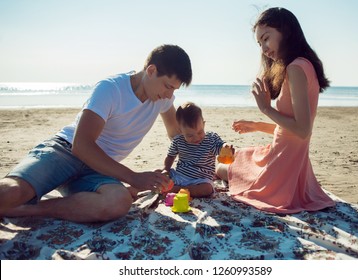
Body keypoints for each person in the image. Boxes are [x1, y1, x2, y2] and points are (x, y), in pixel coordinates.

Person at [0, 44, 192, 223]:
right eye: (168, 86)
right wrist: (133, 177)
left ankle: (29, 210)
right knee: (13, 192)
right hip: (65, 151)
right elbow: (81, 145)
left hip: (100, 168)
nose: (169, 95)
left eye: (174, 89)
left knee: (118, 201)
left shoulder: (162, 99)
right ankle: (18, 202)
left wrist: (200, 160)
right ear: (151, 71)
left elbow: (177, 135)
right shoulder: (110, 89)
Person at [216, 7, 335, 214]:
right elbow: (291, 130)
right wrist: (256, 126)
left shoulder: (295, 69)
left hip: (282, 169)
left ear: (285, 31)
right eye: (259, 43)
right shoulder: (304, 65)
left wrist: (265, 109)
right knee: (240, 156)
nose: (263, 48)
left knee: (220, 168)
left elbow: (303, 130)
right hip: (288, 160)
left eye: (266, 38)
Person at [163, 102, 233, 198]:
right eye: (190, 135)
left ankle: (177, 189)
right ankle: (178, 187)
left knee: (207, 189)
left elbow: (220, 147)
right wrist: (165, 170)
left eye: (200, 132)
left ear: (203, 125)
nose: (196, 138)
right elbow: (170, 156)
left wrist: (226, 147)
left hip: (200, 180)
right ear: (180, 130)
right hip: (179, 176)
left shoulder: (211, 139)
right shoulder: (178, 140)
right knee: (157, 173)